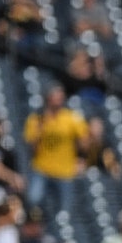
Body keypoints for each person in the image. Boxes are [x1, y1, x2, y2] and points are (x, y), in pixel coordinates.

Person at [23, 84, 87, 218]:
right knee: (33, 200)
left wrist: (81, 159)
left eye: (61, 97)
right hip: (42, 167)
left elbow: (84, 141)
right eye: (56, 97)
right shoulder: (36, 119)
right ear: (48, 98)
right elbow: (31, 145)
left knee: (66, 211)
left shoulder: (70, 117)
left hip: (65, 170)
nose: (59, 100)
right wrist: (40, 130)